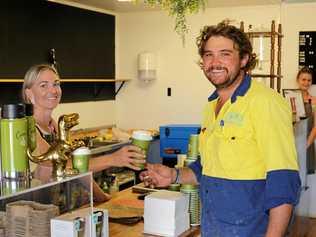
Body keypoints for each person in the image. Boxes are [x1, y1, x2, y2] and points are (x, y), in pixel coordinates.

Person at [140, 20, 301, 237]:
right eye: (208, 55)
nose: (215, 62)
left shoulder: (266, 103)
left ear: (244, 59)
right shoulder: (211, 106)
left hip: (252, 230)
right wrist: (174, 175)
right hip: (214, 228)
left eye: (225, 54)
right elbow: (206, 168)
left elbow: (283, 181)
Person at [22, 64, 145, 202]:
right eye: (44, 85)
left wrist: (103, 199)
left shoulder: (54, 126)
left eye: (56, 84)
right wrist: (113, 159)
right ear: (29, 93)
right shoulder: (26, 127)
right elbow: (57, 165)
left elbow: (79, 170)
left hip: (54, 205)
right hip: (31, 209)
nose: (53, 90)